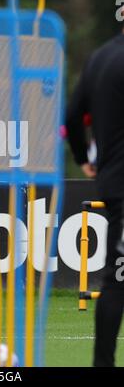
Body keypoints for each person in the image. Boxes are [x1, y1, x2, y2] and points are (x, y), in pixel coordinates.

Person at [66, 26, 124, 367]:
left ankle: (103, 363)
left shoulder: (100, 57)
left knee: (117, 279)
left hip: (115, 182)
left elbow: (72, 117)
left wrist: (83, 159)